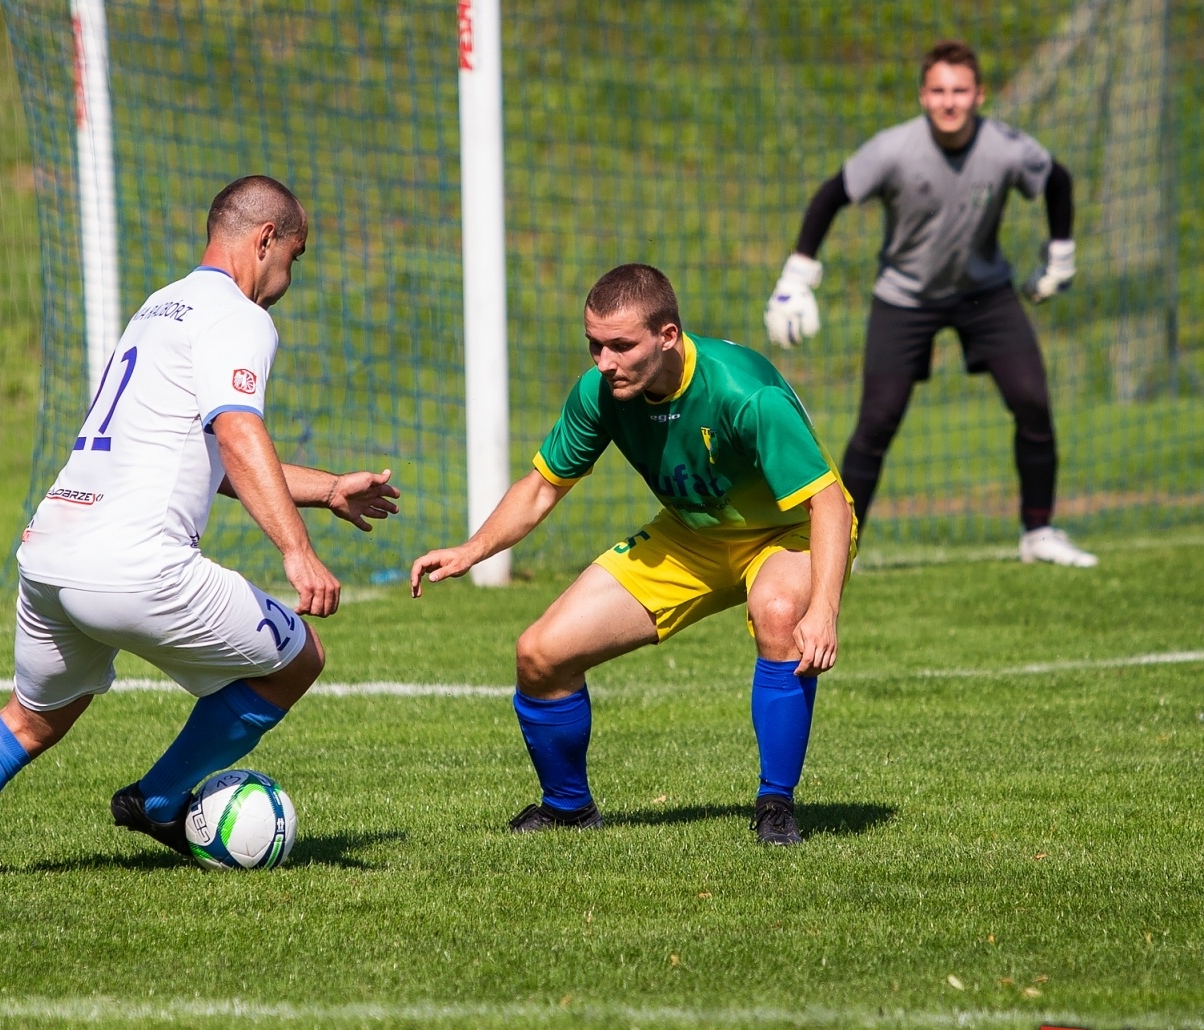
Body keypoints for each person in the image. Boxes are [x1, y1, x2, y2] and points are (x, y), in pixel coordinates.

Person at [0, 176, 400, 886]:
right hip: (137, 565)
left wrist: (326, 489)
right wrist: (298, 551)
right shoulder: (238, 316)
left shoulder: (158, 307)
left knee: (31, 719)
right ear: (266, 239)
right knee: (298, 659)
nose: (287, 279)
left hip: (51, 554)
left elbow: (205, 454)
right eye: (294, 257)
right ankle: (160, 799)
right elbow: (237, 432)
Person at [411, 264, 854, 846]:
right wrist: (473, 549)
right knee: (541, 654)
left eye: (620, 346)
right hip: (691, 537)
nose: (604, 362)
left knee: (778, 613)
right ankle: (568, 807)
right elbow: (542, 487)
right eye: (594, 344)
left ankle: (776, 805)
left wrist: (822, 609)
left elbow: (830, 505)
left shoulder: (743, 393)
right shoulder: (601, 392)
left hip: (790, 531)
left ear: (667, 336)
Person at [764, 39, 1096, 567]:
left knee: (1033, 402)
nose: (949, 101)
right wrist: (795, 278)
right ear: (923, 95)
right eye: (939, 90)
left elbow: (1057, 179)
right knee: (876, 424)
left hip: (986, 295)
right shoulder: (893, 149)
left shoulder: (1005, 147)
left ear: (979, 94)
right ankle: (838, 549)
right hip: (904, 298)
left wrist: (1061, 255)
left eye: (960, 91)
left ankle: (1039, 532)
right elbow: (832, 195)